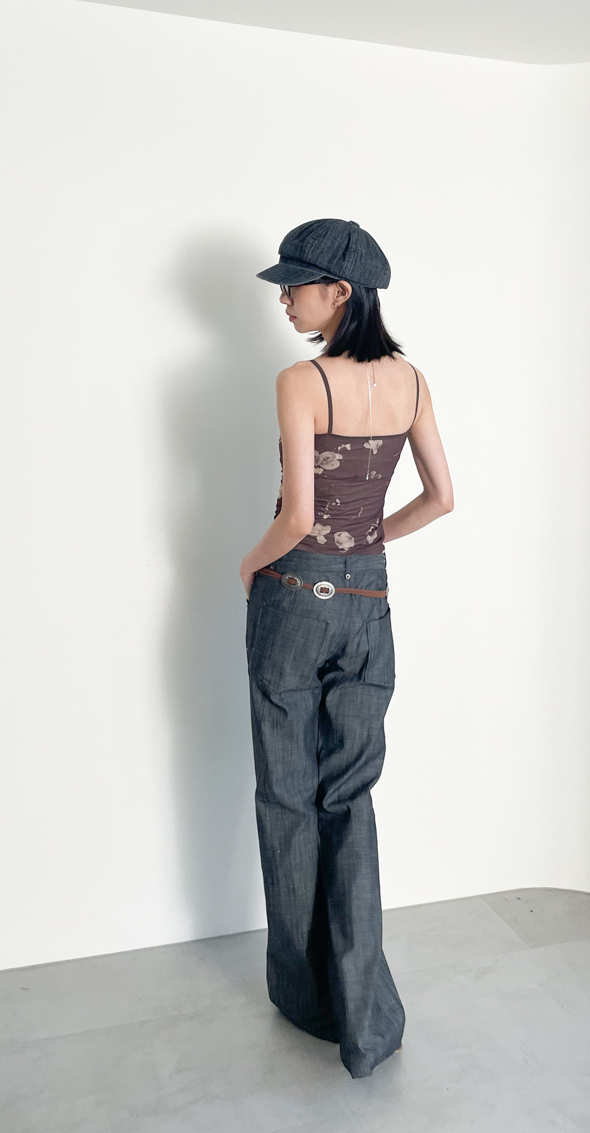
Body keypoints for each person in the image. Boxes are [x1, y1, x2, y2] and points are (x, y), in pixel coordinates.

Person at [239, 218, 454, 1078]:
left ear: (340, 291)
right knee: (349, 797)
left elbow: (296, 516)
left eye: (295, 284)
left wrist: (249, 565)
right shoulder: (411, 380)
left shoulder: (303, 380)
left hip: (293, 595)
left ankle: (306, 997)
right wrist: (367, 541)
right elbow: (442, 497)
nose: (285, 298)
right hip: (369, 599)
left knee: (287, 797)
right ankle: (368, 1020)